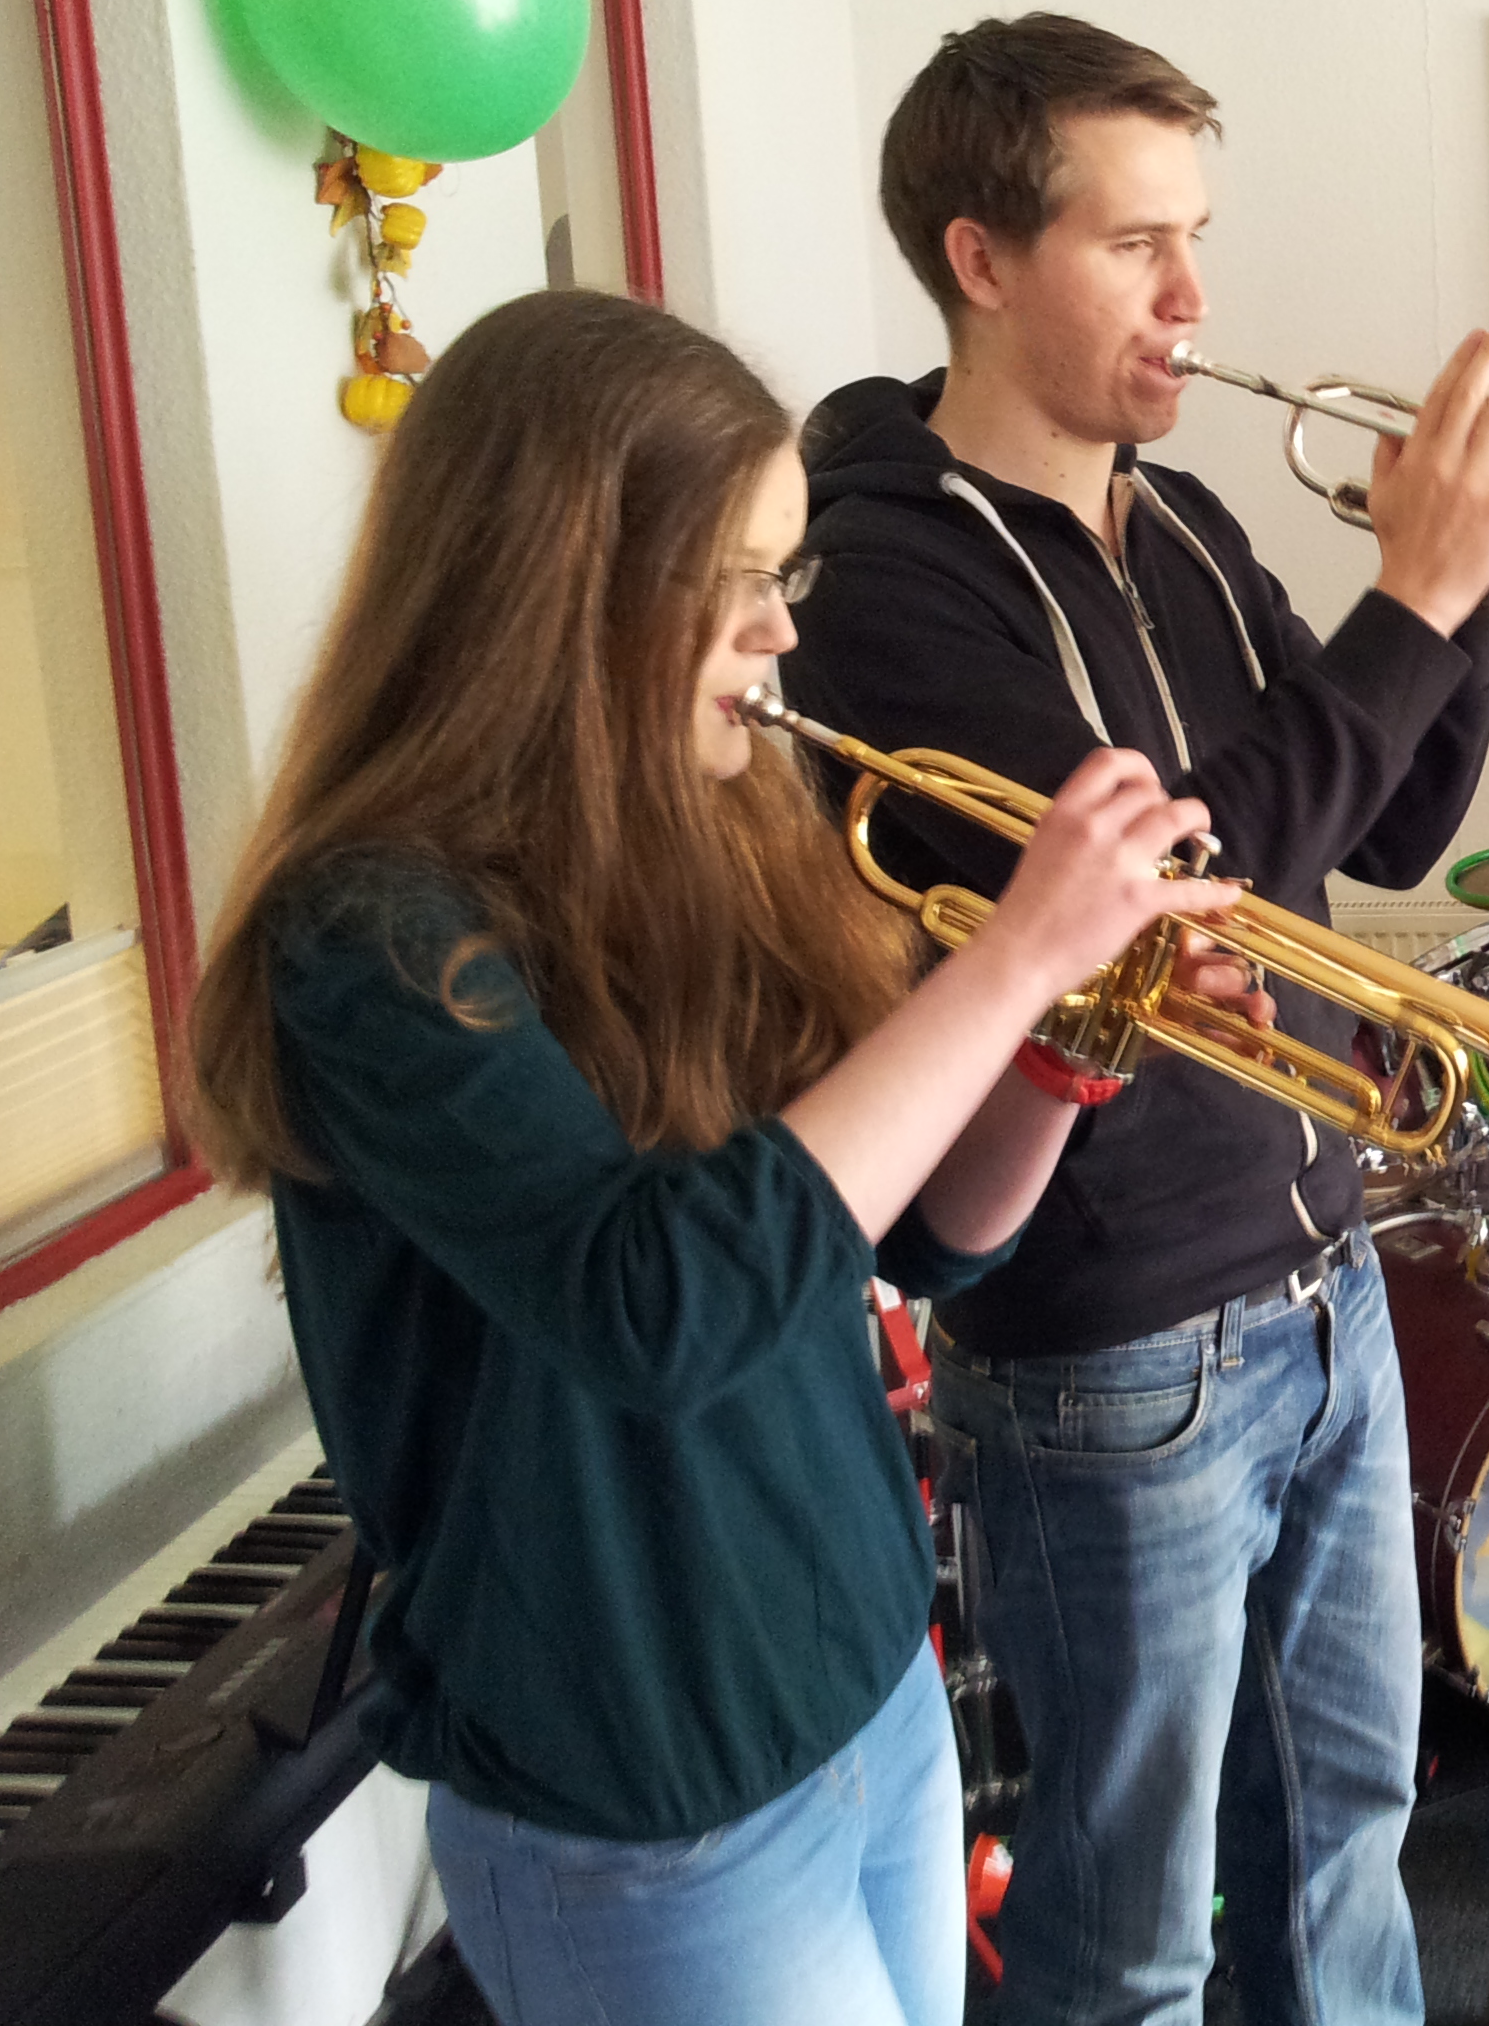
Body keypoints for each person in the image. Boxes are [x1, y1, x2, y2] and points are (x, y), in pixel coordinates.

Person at [184, 291, 1230, 2026]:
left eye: (782, 573)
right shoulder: (369, 935)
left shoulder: (721, 830)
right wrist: (1013, 960)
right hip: (644, 1802)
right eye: (735, 580)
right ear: (566, 592)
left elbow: (914, 1235)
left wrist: (1070, 1041)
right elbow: (657, 1299)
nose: (778, 632)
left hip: (865, 1695)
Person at [780, 11, 1489, 2026]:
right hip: (1110, 1345)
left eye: (1193, 237)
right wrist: (1411, 597)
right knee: (1131, 1933)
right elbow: (1168, 893)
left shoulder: (1190, 521)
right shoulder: (878, 578)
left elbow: (1387, 821)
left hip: (1323, 1281)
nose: (1195, 298)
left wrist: (1469, 600)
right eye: (1137, 245)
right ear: (979, 258)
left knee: (1351, 1840)